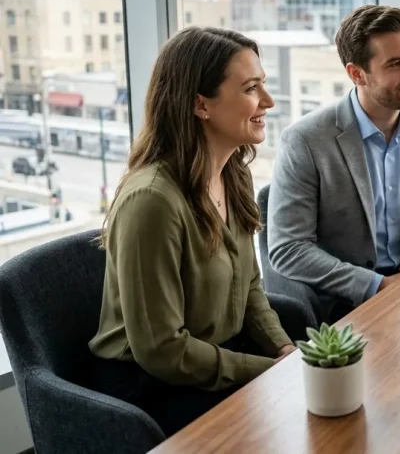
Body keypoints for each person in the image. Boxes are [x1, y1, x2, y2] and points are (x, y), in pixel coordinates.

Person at [89, 27, 296, 437]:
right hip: (151, 386)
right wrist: (268, 371)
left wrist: (284, 349)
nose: (268, 103)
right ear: (201, 104)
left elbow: (249, 286)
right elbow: (162, 351)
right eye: (251, 89)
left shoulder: (233, 174)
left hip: (218, 357)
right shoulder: (152, 202)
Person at [268, 4, 400, 323]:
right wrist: (378, 285)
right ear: (356, 73)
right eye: (396, 64)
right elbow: (288, 248)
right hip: (347, 305)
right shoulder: (305, 140)